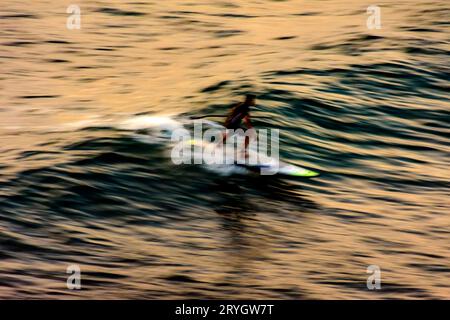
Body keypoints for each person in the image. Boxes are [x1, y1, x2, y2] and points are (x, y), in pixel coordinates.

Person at [222, 94, 256, 158]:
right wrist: (252, 130)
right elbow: (247, 120)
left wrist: (227, 121)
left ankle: (219, 144)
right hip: (232, 125)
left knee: (230, 132)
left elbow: (233, 112)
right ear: (249, 101)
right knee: (248, 134)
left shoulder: (241, 104)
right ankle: (244, 152)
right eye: (253, 100)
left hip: (229, 123)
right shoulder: (245, 108)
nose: (254, 102)